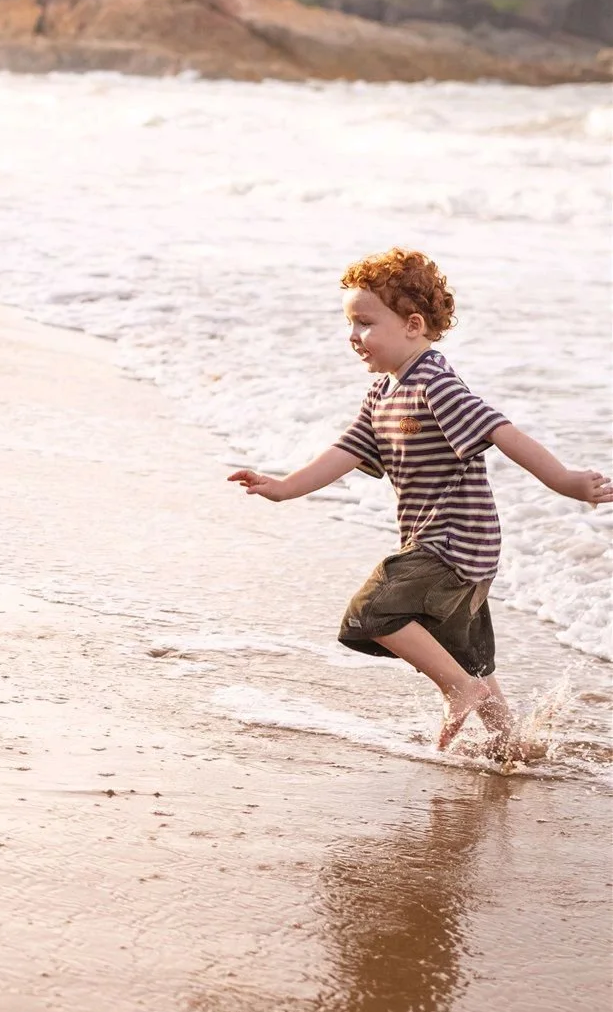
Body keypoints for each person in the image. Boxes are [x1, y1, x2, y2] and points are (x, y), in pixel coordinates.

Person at [228, 247, 611, 753]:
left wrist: (565, 481)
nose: (353, 336)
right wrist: (283, 487)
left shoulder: (434, 382)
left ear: (412, 324)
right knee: (469, 658)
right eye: (350, 323)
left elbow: (501, 431)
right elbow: (344, 452)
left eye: (365, 323)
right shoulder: (383, 394)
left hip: (453, 540)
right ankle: (513, 744)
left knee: (372, 612)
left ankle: (459, 691)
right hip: (455, 546)